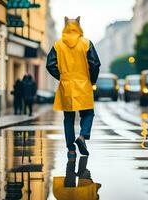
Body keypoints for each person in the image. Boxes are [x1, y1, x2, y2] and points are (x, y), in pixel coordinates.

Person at [46, 16, 101, 159]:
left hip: (66, 85)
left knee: (68, 118)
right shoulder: (86, 43)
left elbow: (50, 65)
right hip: (83, 84)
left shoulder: (58, 45)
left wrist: (62, 77)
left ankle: (71, 149)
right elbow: (95, 64)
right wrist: (92, 81)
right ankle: (83, 136)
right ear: (79, 25)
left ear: (65, 25)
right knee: (88, 113)